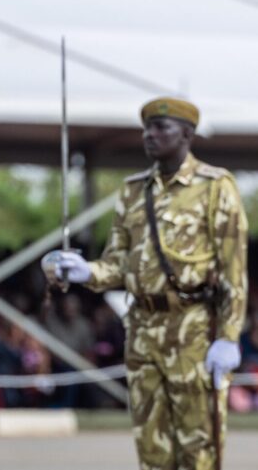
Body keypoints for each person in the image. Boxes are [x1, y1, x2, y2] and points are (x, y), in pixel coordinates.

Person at [42, 97, 248, 470]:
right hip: (142, 329)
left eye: (161, 128)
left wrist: (230, 337)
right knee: (151, 447)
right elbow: (118, 262)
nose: (149, 135)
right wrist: (88, 272)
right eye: (147, 128)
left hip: (195, 330)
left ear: (186, 134)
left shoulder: (215, 186)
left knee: (199, 447)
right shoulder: (134, 191)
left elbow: (234, 270)